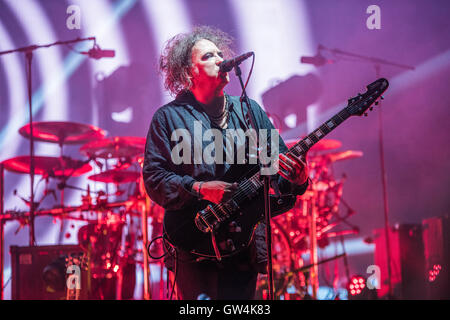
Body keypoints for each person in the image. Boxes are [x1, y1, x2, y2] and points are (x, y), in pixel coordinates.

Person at [142, 26, 309, 300]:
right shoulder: (167, 118)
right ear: (187, 73)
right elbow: (154, 180)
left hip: (244, 244)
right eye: (209, 56)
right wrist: (200, 188)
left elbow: (276, 173)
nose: (221, 59)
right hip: (192, 242)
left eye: (221, 53)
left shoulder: (250, 111)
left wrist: (297, 179)